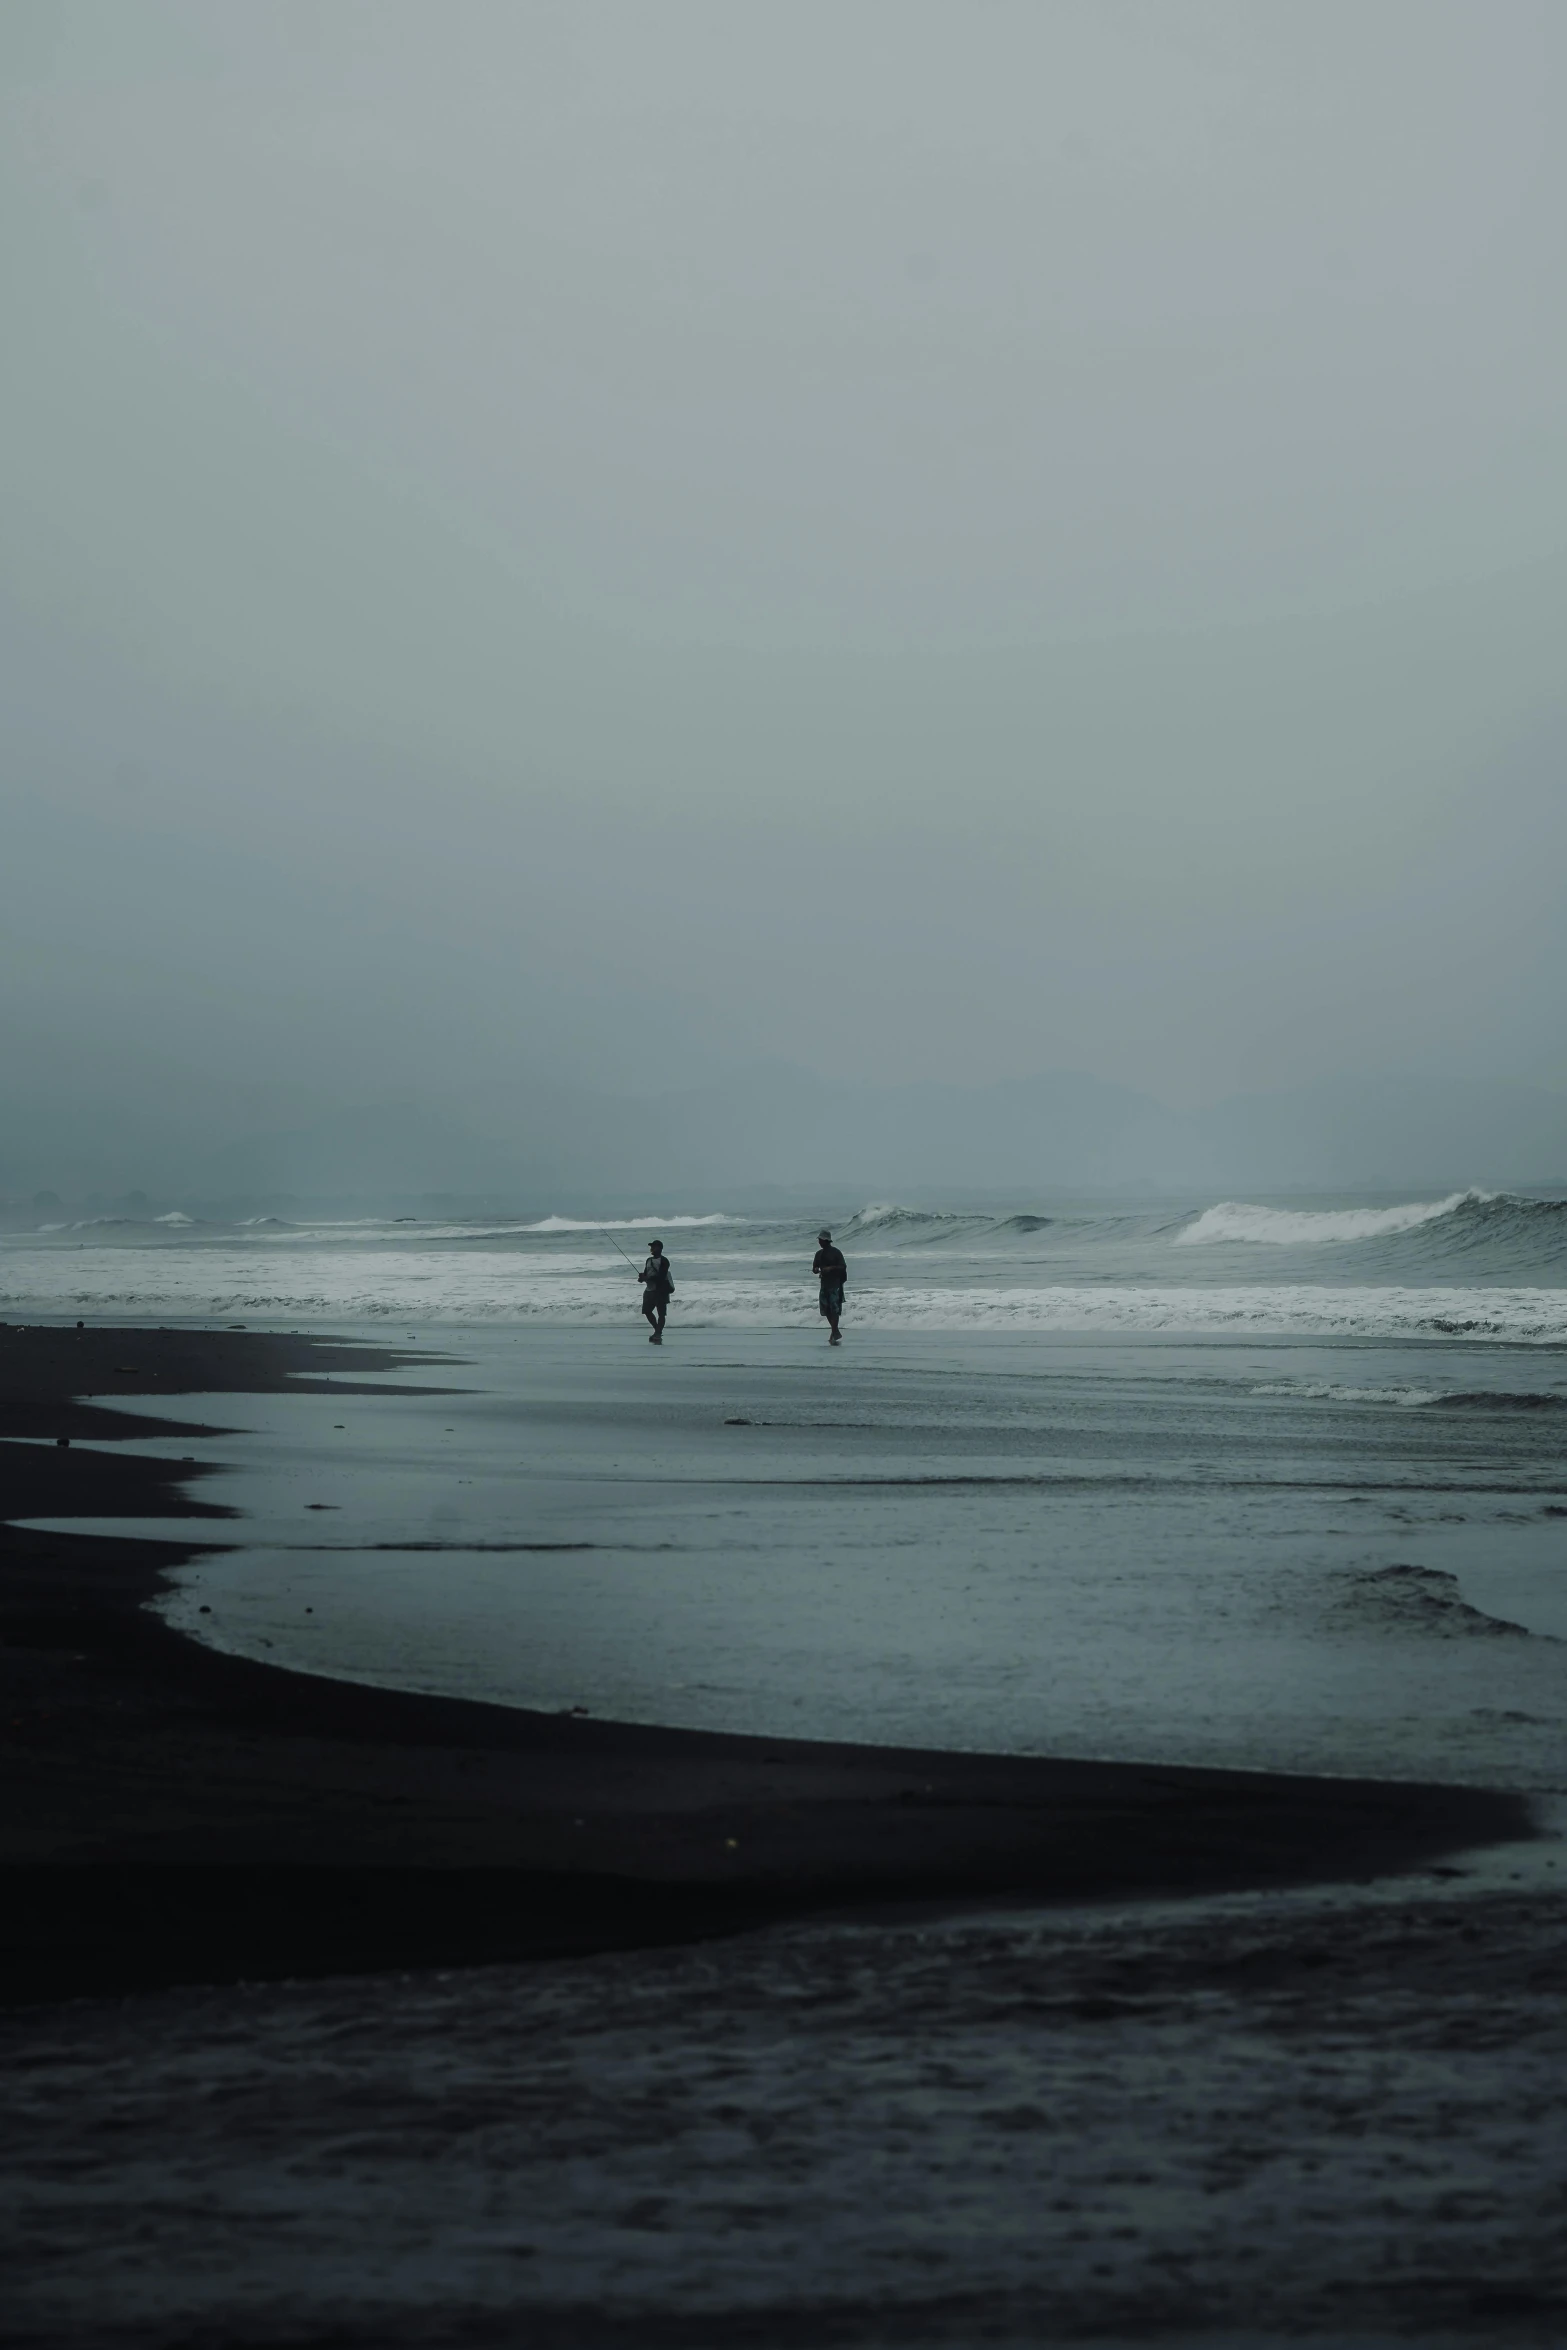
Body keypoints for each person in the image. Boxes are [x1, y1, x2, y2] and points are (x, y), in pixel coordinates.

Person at [812, 1227, 847, 1344]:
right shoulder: (818, 1254)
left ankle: (834, 1332)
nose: (819, 1242)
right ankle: (835, 1331)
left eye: (820, 1240)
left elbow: (843, 1267)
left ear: (826, 1241)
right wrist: (816, 1269)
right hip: (824, 1285)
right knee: (826, 1309)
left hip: (835, 1284)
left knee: (834, 1309)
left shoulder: (836, 1252)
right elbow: (814, 1268)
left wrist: (830, 1268)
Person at [638, 1239, 673, 1343]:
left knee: (661, 1314)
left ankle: (657, 1333)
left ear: (660, 1248)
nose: (652, 1249)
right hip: (649, 1290)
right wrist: (642, 1278)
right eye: (651, 1247)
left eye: (654, 1247)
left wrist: (647, 1278)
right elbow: (646, 1273)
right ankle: (657, 1331)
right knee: (647, 1311)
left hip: (661, 1290)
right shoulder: (648, 1260)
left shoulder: (664, 1261)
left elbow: (661, 1277)